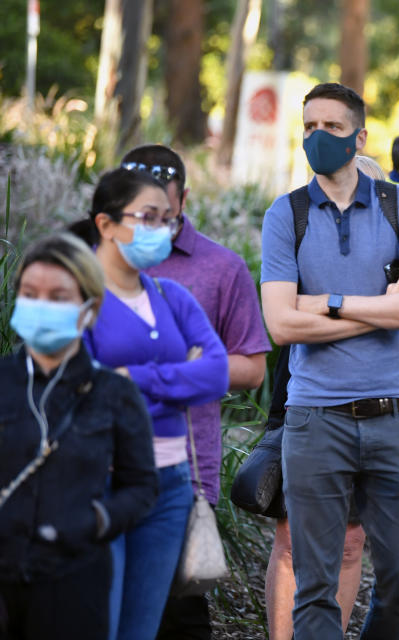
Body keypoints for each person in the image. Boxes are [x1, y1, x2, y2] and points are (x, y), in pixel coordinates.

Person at [259, 82, 399, 638]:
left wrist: (330, 303)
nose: (317, 137)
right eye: (309, 127)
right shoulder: (285, 214)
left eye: (331, 127)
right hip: (315, 418)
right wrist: (384, 308)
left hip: (396, 415)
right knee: (315, 585)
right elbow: (282, 324)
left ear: (359, 136)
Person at [118, 144, 272, 640]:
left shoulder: (219, 268)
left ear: (183, 199)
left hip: (182, 469)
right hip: (95, 463)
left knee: (176, 614)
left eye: (160, 204)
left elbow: (251, 368)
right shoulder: (86, 262)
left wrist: (162, 372)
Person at [75, 168, 229, 640]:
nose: (160, 230)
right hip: (101, 480)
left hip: (170, 486)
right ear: (105, 224)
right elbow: (84, 388)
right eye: (147, 218)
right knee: (99, 624)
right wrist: (182, 372)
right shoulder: (77, 299)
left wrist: (135, 378)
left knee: (142, 629)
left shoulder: (172, 296)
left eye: (166, 219)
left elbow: (217, 373)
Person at [0, 233, 158, 640]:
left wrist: (97, 520)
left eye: (58, 297)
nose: (41, 306)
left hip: (73, 580)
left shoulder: (114, 393)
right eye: (31, 294)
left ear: (88, 309)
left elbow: (141, 486)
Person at [264, 154, 389, 639]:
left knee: (351, 542)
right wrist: (379, 312)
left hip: (379, 413)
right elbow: (286, 319)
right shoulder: (298, 244)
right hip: (303, 409)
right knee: (294, 538)